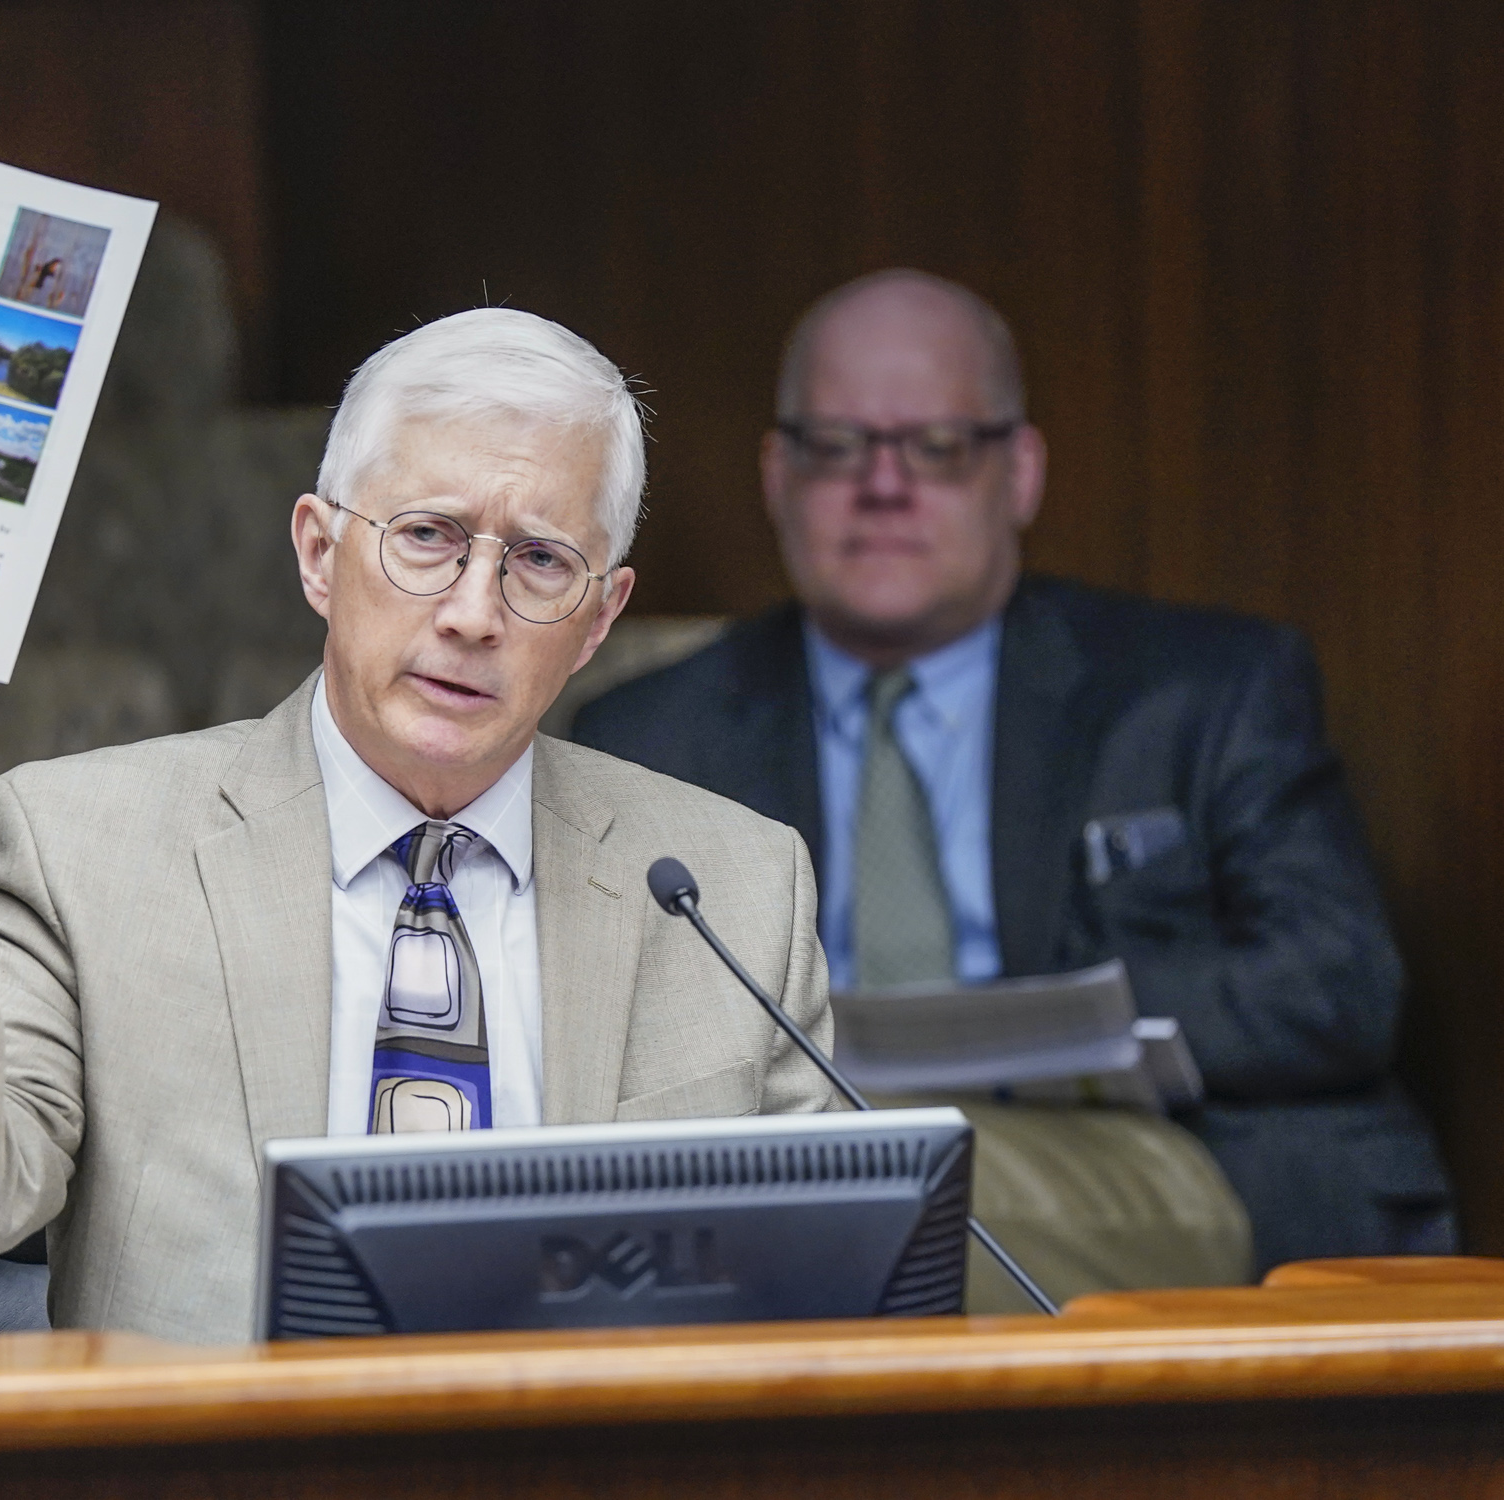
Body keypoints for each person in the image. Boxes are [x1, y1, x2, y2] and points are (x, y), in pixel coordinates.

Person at [0, 309, 838, 1344]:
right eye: (427, 536)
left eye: (538, 562)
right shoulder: (81, 848)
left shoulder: (733, 888)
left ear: (599, 620)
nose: (474, 612)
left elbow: (825, 1306)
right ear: (318, 553)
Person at [574, 270, 1455, 1275]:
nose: (885, 484)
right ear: (777, 476)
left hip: (1170, 1151)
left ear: (1022, 472)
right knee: (797, 1176)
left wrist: (1060, 1027)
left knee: (853, 1189)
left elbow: (1339, 985)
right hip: (792, 1140)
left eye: (938, 448)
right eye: (836, 447)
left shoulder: (1201, 689)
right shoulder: (650, 730)